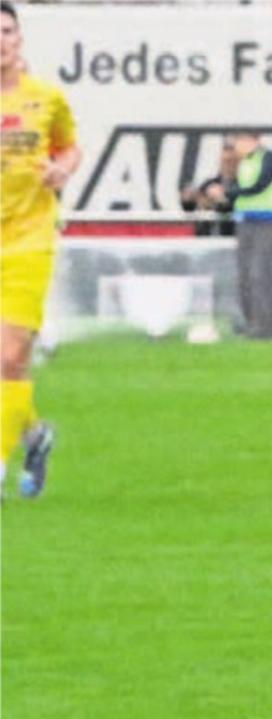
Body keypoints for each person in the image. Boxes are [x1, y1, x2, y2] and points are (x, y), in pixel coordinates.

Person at [0, 0, 81, 500]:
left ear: (19, 40)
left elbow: (69, 147)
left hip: (29, 241)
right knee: (10, 366)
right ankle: (34, 435)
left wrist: (62, 169)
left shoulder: (45, 98)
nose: (0, 42)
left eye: (6, 32)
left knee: (9, 355)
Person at [223, 130, 272, 336]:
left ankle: (264, 325)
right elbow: (236, 187)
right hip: (245, 221)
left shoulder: (268, 158)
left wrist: (228, 193)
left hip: (268, 222)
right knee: (245, 275)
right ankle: (249, 322)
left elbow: (259, 185)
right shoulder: (243, 162)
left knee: (262, 274)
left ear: (251, 140)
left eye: (239, 142)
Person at [180, 137, 238, 238]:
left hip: (232, 242)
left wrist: (222, 200)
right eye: (225, 151)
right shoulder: (209, 184)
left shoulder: (245, 186)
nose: (228, 157)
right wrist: (188, 199)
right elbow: (189, 208)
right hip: (206, 242)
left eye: (232, 152)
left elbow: (232, 207)